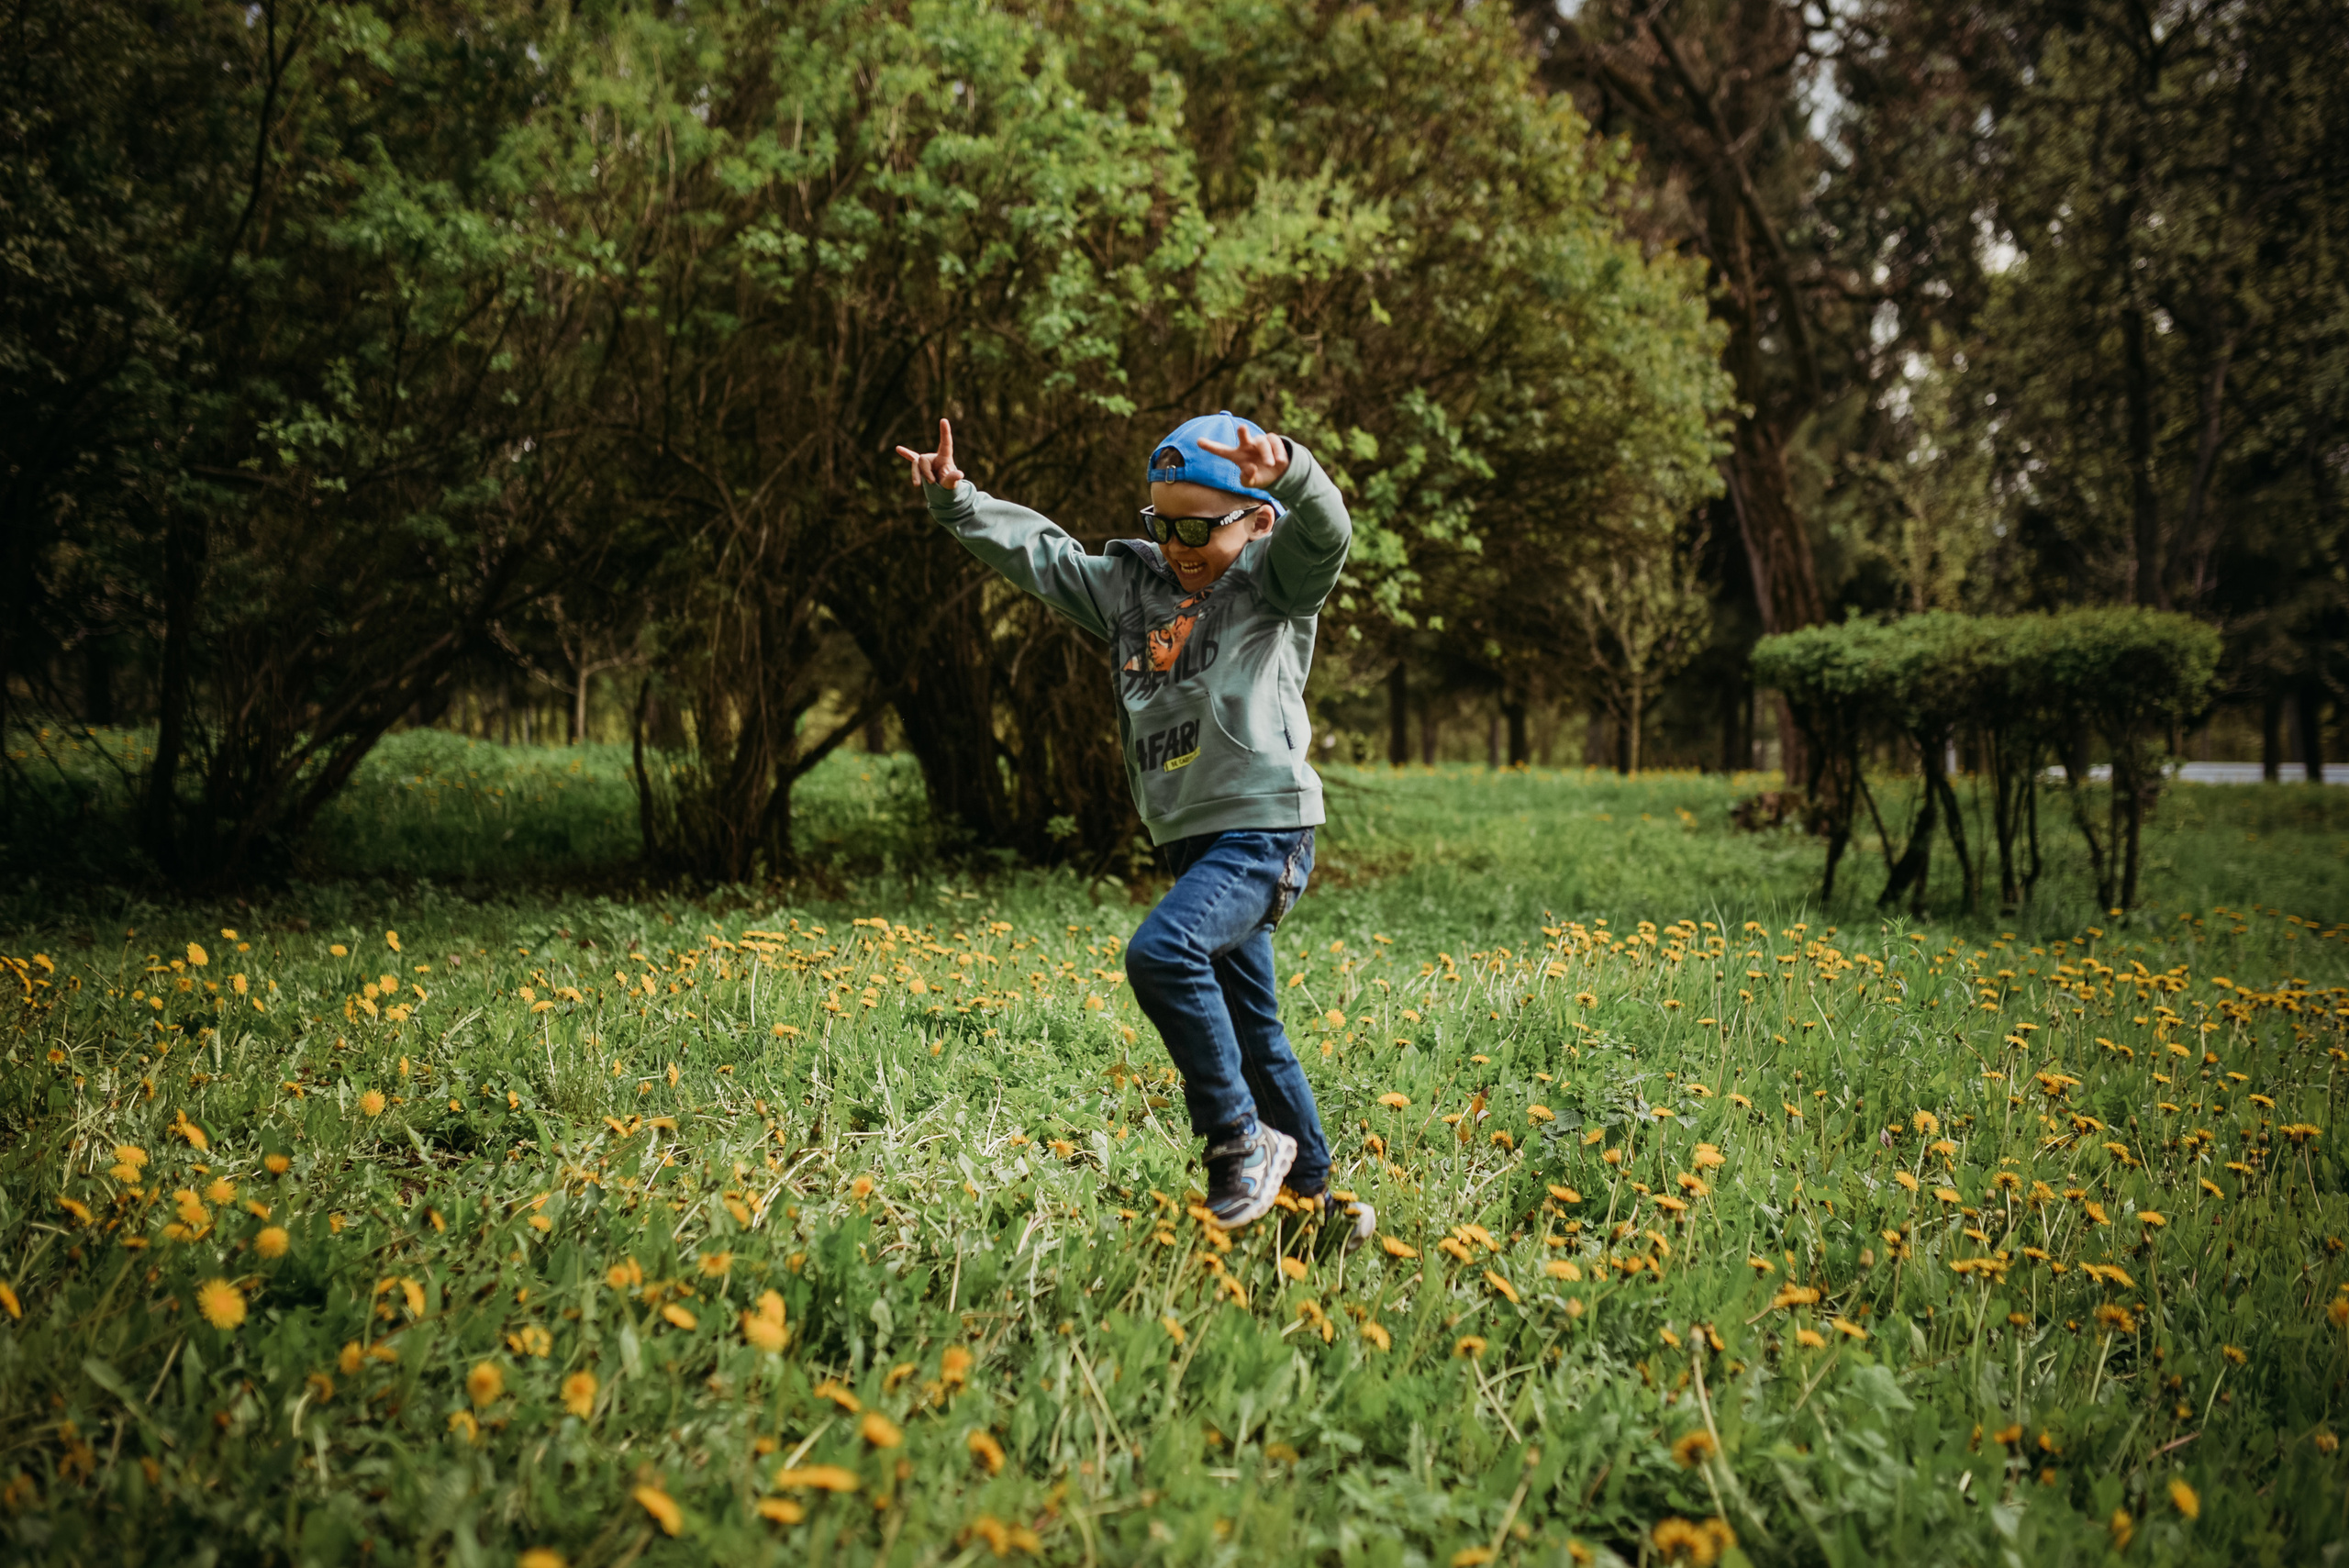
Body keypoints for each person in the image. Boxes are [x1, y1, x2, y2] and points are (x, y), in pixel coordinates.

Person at [894, 412, 1372, 1245]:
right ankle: (1317, 1208)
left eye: (1199, 527)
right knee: (1251, 1020)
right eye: (1164, 524)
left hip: (1265, 828)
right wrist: (958, 501)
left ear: (1255, 518)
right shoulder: (1131, 590)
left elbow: (1329, 530)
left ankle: (1238, 1139)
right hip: (1191, 838)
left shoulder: (1275, 581)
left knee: (1163, 952)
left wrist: (1291, 469)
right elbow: (1042, 557)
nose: (1181, 545)